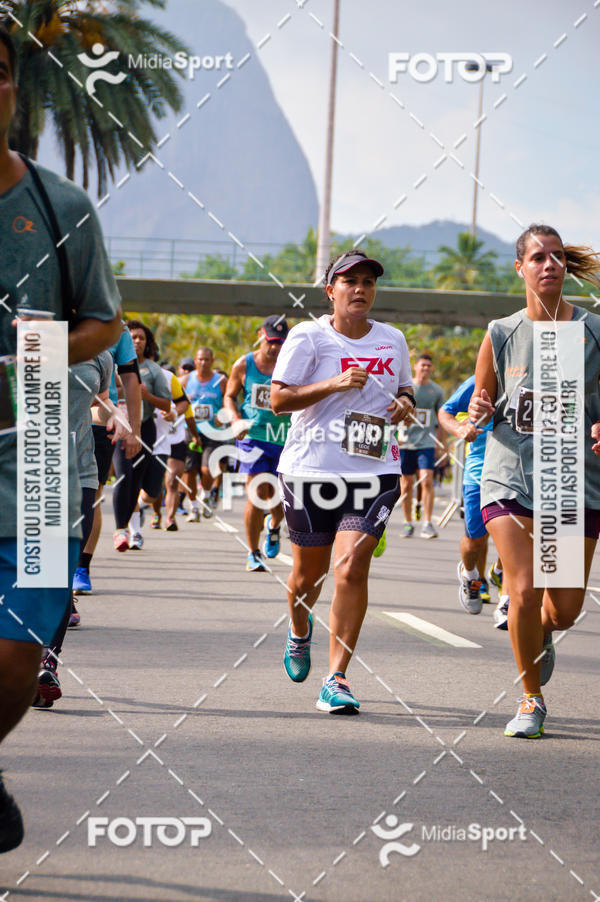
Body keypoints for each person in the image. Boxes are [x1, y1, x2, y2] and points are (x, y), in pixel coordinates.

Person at [0, 24, 122, 851]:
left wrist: (25, 359)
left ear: (12, 90)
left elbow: (105, 323)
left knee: (18, 655)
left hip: (41, 457)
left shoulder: (59, 207)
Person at [469, 223, 600, 739]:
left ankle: (540, 634)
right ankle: (530, 698)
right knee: (523, 589)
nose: (549, 265)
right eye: (538, 257)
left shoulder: (593, 331)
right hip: (511, 476)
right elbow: (479, 406)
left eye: (557, 257)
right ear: (520, 268)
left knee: (563, 609)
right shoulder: (501, 333)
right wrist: (476, 411)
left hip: (571, 480)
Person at [271, 249, 413, 714]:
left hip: (375, 470)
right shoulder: (309, 337)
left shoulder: (393, 339)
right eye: (349, 281)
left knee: (350, 568)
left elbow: (404, 389)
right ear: (330, 290)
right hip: (311, 469)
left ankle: (336, 678)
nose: (360, 289)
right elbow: (279, 399)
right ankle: (298, 629)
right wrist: (332, 384)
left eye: (368, 282)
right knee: (305, 577)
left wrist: (405, 404)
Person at [34, 352, 128, 706]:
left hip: (80, 471)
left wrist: (119, 415)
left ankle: (47, 662)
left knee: (60, 567)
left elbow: (101, 398)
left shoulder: (100, 355)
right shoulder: (25, 339)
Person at [74, 322, 142, 593]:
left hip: (97, 422)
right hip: (46, 430)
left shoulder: (115, 331)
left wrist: (133, 429)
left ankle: (80, 567)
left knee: (90, 498)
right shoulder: (41, 324)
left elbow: (130, 379)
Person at [438, 376, 508, 622]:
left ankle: (506, 599)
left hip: (516, 475)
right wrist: (460, 428)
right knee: (475, 541)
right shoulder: (478, 382)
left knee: (514, 538)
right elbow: (445, 411)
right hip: (479, 474)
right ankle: (470, 575)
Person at [225, 317, 291, 571]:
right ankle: (252, 553)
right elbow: (230, 396)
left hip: (284, 439)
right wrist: (235, 419)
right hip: (253, 437)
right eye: (271, 341)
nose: (274, 348)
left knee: (279, 498)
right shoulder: (244, 364)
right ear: (260, 335)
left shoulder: (291, 365)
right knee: (256, 493)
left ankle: (274, 526)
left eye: (280, 343)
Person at [112, 321, 171, 550]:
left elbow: (166, 403)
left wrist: (145, 395)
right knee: (123, 475)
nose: (137, 341)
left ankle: (128, 522)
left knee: (137, 481)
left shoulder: (154, 370)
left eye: (141, 338)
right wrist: (126, 389)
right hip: (117, 426)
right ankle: (121, 530)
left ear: (148, 344)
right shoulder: (113, 363)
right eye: (133, 337)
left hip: (144, 428)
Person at [399, 354, 446, 539]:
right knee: (406, 484)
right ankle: (408, 522)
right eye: (422, 365)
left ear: (431, 369)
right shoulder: (406, 388)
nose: (425, 369)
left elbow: (442, 418)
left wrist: (441, 445)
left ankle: (427, 523)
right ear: (415, 366)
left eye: (429, 366)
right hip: (405, 443)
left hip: (426, 442)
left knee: (426, 480)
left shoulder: (436, 391)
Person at [180, 347, 226, 521]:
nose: (204, 362)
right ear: (195, 360)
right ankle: (193, 508)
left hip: (212, 431)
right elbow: (173, 401)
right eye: (201, 359)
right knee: (189, 471)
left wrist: (223, 416)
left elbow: (230, 401)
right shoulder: (185, 380)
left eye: (207, 359)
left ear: (212, 361)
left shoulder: (221, 381)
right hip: (189, 430)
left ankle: (206, 494)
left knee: (207, 470)